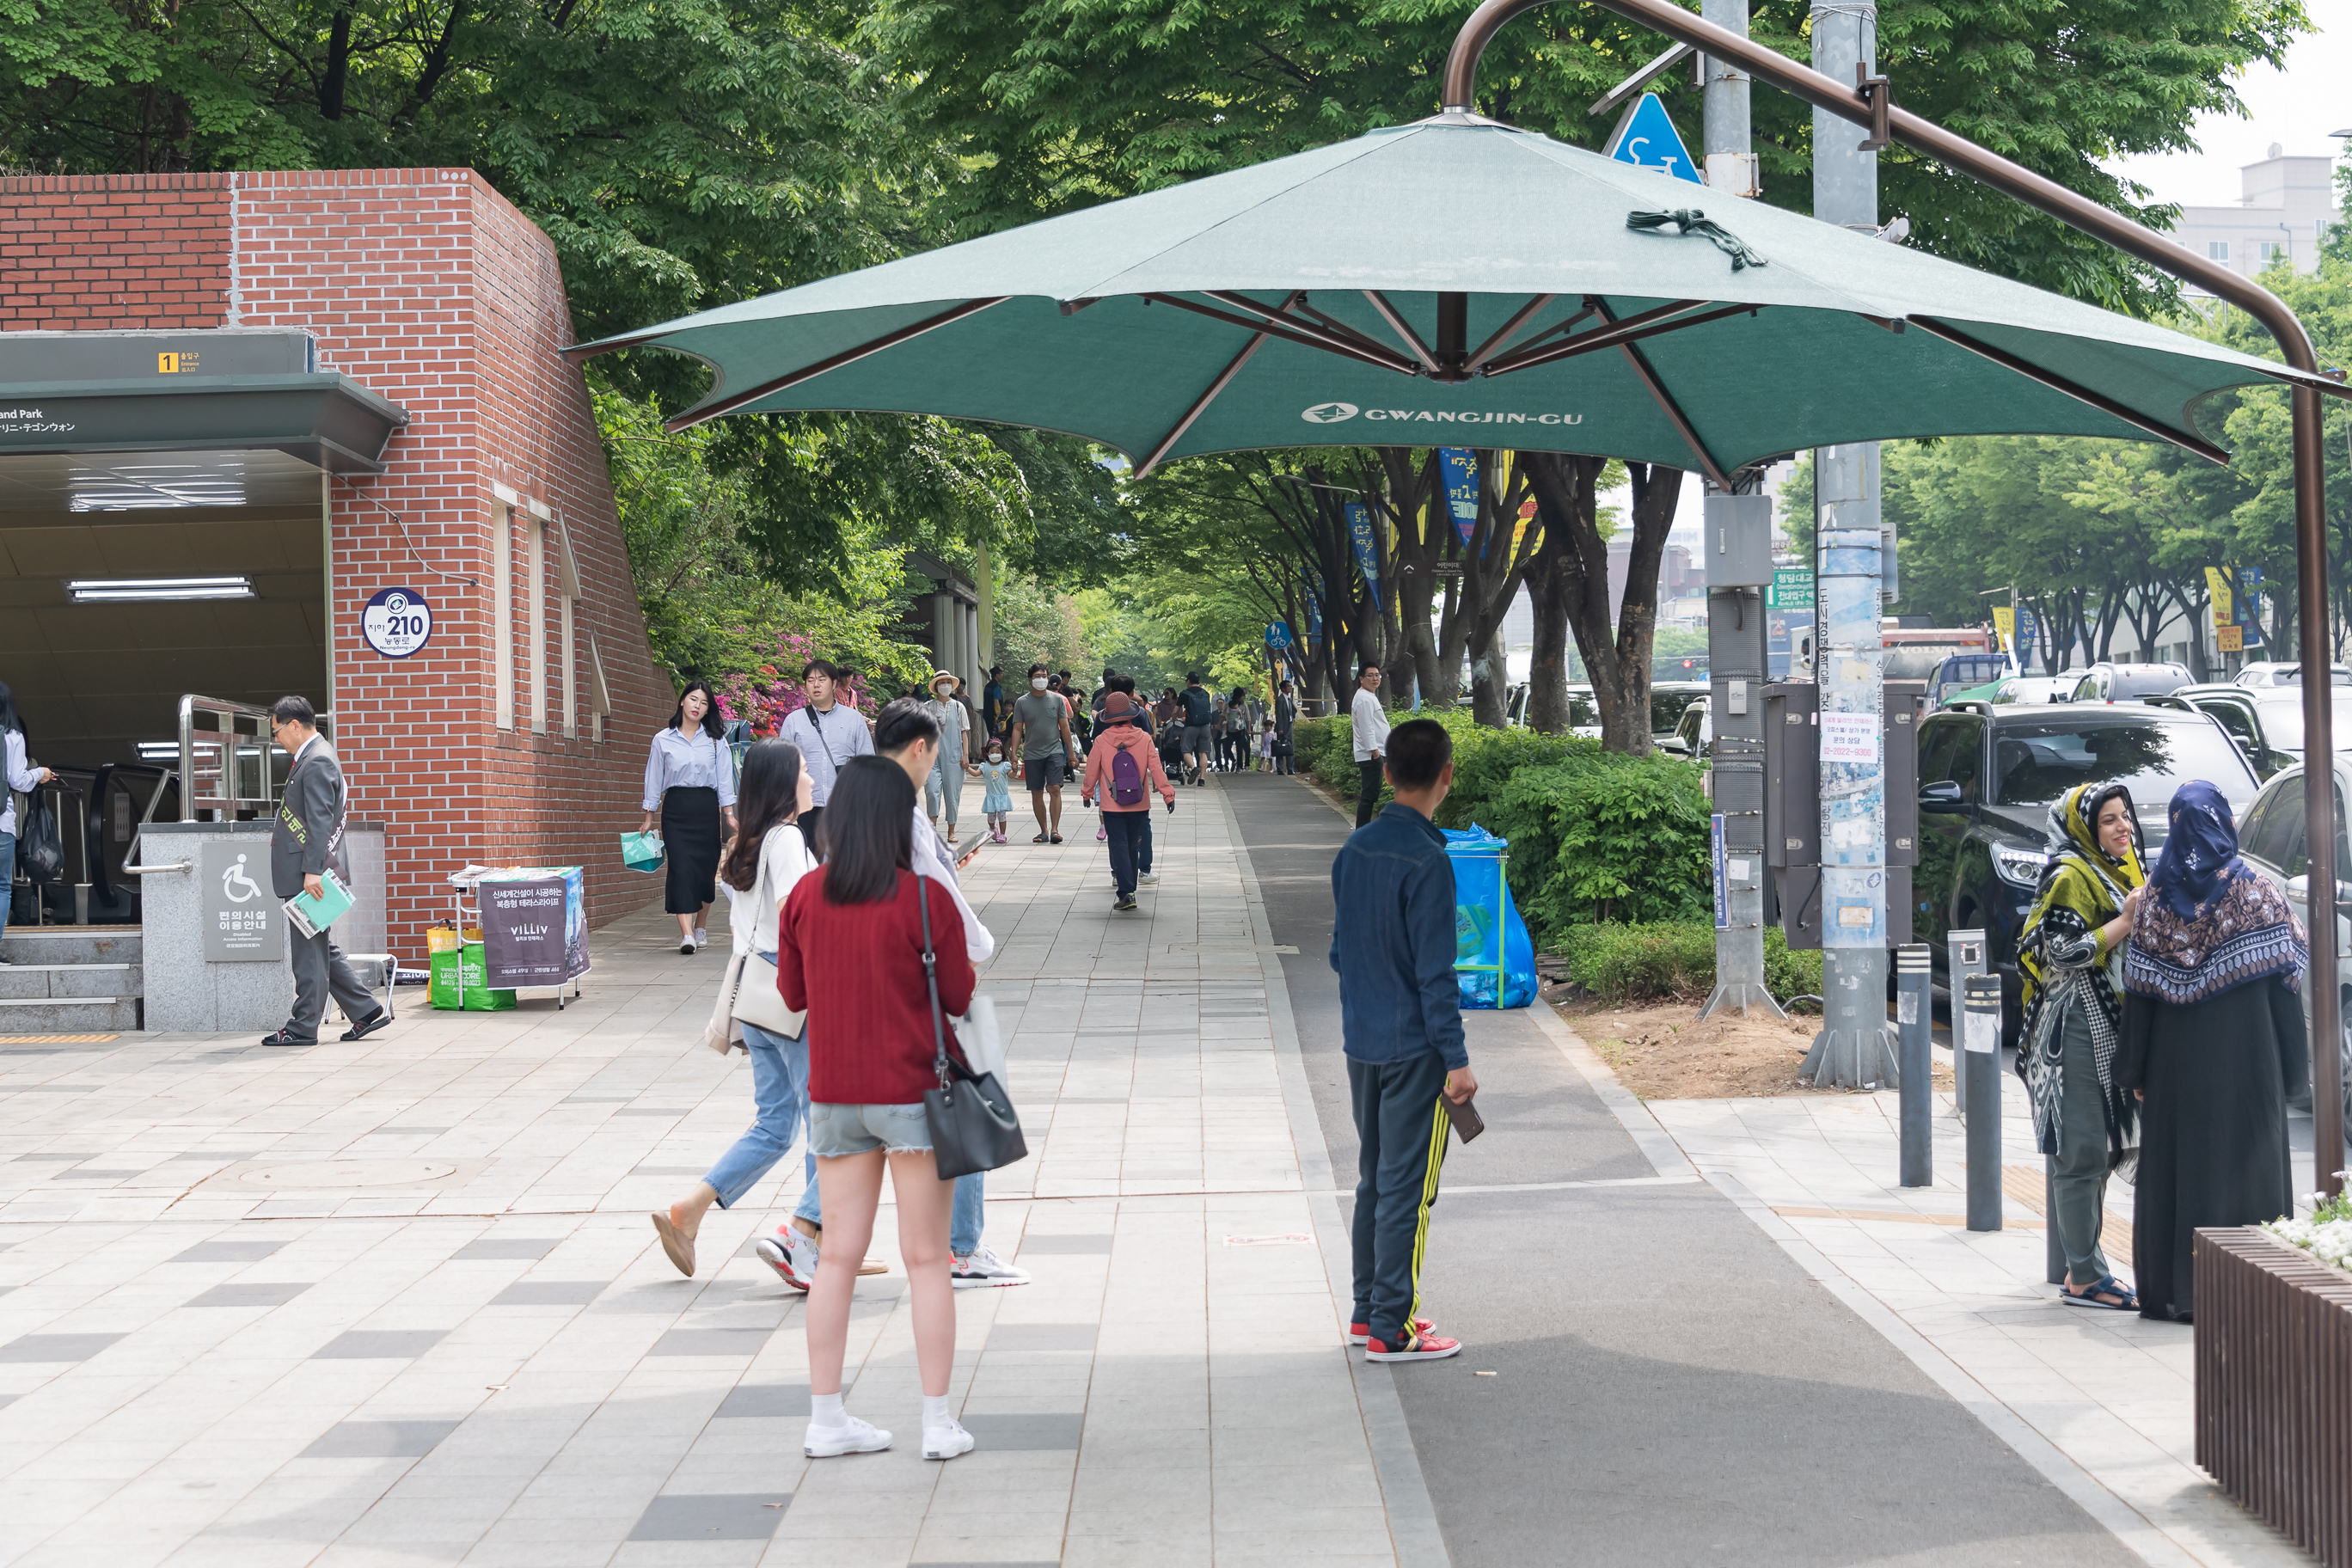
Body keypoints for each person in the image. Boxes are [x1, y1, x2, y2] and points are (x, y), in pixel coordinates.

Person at [765, 699, 1029, 1291]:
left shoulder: (820, 874)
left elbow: (793, 988)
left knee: (857, 1157)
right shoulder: (903, 824)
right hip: (911, 1006)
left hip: (842, 1054)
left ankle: (809, 1239)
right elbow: (949, 928)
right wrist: (970, 951)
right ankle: (955, 1251)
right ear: (922, 747)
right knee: (953, 1114)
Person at [777, 756, 974, 1461]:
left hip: (834, 1093)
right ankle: (937, 1423)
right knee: (926, 1260)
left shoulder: (802, 897)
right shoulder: (924, 898)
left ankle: (826, 1420)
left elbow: (794, 997)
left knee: (835, 1258)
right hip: (914, 1091)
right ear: (898, 820)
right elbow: (957, 993)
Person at [2118, 780, 2309, 1326]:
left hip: (2175, 1072)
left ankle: (2179, 1291)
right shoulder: (2258, 893)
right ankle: (2251, 1297)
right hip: (2252, 1066)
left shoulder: (2155, 899)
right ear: (2224, 823)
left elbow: (2141, 992)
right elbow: (2285, 990)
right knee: (2245, 1171)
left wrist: (2136, 1070)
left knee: (2181, 1174)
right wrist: (2293, 1073)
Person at [1331, 718, 1473, 1361]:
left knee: (1374, 1181)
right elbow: (1435, 977)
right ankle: (1395, 1326)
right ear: (1446, 775)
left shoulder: (1354, 849)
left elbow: (1339, 954)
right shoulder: (1429, 860)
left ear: (1385, 773)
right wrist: (1458, 1062)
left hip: (1361, 1040)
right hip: (1416, 1049)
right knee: (1409, 1192)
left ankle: (1368, 1313)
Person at [652, 741, 821, 1277]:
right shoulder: (789, 839)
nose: (813, 778)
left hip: (752, 992)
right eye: (803, 770)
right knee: (828, 1124)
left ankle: (688, 1211)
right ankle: (812, 1240)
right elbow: (800, 920)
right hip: (789, 991)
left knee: (775, 1125)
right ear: (782, 784)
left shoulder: (744, 841)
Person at [2014, 783, 2146, 1312]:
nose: (2122, 828)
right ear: (2085, 828)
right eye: (2109, 820)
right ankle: (2085, 1277)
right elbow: (2061, 952)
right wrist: (2126, 921)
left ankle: (2083, 1267)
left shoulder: (2120, 870)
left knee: (2105, 1147)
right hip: (2074, 1027)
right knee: (2084, 1148)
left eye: (2125, 818)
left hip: (2105, 1027)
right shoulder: (2071, 875)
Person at [258, 696, 390, 1048]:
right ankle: (365, 1010)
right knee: (318, 946)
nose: (276, 740)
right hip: (307, 870)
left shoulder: (316, 761)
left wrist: (312, 871)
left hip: (308, 874)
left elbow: (318, 821)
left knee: (308, 953)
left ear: (294, 726)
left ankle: (302, 1027)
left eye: (277, 732)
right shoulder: (315, 756)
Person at [640, 681, 738, 954]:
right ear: (682, 701)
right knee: (681, 869)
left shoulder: (717, 741)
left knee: (705, 871)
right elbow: (654, 778)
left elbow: (724, 780)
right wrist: (649, 815)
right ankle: (686, 935)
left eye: (704, 703)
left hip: (706, 808)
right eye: (694, 699)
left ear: (708, 710)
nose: (698, 706)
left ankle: (701, 925)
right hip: (676, 809)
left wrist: (729, 815)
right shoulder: (663, 739)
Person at [1080, 691, 1176, 910]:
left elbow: (1092, 772)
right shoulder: (1143, 738)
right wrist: (1167, 794)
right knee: (1133, 845)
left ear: (1109, 718)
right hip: (1139, 802)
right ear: (1131, 715)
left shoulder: (1102, 741)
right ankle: (1129, 889)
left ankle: (1126, 892)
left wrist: (1086, 794)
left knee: (1118, 845)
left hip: (1111, 804)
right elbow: (1156, 768)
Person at [776, 659, 873, 852]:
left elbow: (867, 763)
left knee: (844, 862)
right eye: (810, 681)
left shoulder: (854, 719)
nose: (816, 685)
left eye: (822, 679)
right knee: (809, 861)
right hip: (806, 807)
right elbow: (782, 767)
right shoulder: (793, 721)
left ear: (834, 683)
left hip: (844, 806)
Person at [0, 683, 56, 962]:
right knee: (3, 884)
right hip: (4, 825)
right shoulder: (12, 737)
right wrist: (41, 773)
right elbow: (18, 780)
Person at [1009, 663, 1081, 843]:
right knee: (1036, 792)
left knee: (1055, 788)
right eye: (1037, 676)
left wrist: (1071, 752)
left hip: (1054, 751)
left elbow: (1064, 726)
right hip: (1032, 753)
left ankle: (1055, 829)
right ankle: (1044, 830)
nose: (1041, 679)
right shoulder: (1022, 702)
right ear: (1030, 679)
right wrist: (1014, 754)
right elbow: (1017, 729)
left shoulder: (1057, 700)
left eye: (1044, 676)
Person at [922, 670, 977, 845]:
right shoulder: (927, 707)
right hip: (932, 756)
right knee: (931, 791)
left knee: (952, 795)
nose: (944, 685)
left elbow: (964, 733)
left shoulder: (959, 707)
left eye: (947, 682)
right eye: (941, 682)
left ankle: (951, 831)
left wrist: (965, 755)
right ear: (936, 686)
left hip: (954, 756)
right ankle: (932, 830)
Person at [1350, 663, 1392, 828]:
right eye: (1370, 675)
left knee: (1371, 795)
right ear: (1361, 679)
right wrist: (1375, 754)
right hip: (1372, 754)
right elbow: (1367, 728)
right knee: (1369, 796)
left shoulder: (1368, 696)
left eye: (1377, 675)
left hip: (1377, 752)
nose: (1375, 679)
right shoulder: (1364, 700)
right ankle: (1361, 832)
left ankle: (1364, 831)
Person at [1176, 673, 1217, 786]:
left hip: (1191, 726)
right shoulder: (1206, 693)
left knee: (1185, 751)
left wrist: (1174, 718)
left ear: (1188, 681)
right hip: (1205, 726)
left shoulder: (1185, 693)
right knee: (1202, 753)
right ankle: (1202, 779)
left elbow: (1176, 710)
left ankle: (1194, 768)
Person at [978, 738, 1015, 844]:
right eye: (992, 752)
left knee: (1002, 817)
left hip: (1002, 797)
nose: (995, 754)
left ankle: (1002, 834)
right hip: (991, 797)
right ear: (987, 754)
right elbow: (976, 773)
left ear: (1002, 753)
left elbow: (1011, 776)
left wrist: (1015, 770)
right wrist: (967, 768)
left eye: (997, 752)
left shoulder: (1005, 766)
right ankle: (993, 829)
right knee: (991, 818)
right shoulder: (985, 766)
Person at [1274, 680, 1298, 775]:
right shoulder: (1280, 700)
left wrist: (1293, 716)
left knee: (1290, 747)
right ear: (1283, 688)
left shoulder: (1288, 699)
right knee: (1280, 747)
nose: (1290, 688)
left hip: (1289, 725)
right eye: (1288, 686)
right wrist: (1280, 728)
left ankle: (1290, 768)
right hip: (1282, 726)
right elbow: (1278, 715)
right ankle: (1280, 768)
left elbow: (1293, 710)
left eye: (1290, 686)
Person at [982, 666, 1006, 740]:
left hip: (987, 715)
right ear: (997, 675)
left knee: (991, 735)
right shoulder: (996, 687)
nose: (1002, 676)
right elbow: (996, 701)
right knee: (997, 737)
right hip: (994, 716)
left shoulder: (987, 686)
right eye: (1001, 674)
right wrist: (998, 715)